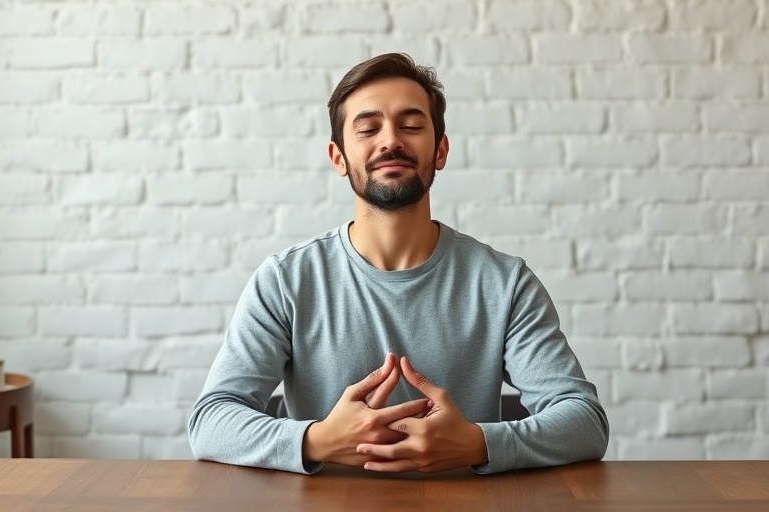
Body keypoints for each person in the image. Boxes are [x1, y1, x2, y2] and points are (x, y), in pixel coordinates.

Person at [188, 53, 609, 475]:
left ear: (440, 150)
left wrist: (478, 445)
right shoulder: (286, 281)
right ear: (338, 158)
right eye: (368, 129)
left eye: (411, 126)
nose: (391, 141)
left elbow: (585, 422)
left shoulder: (504, 283)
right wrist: (319, 440)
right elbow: (211, 422)